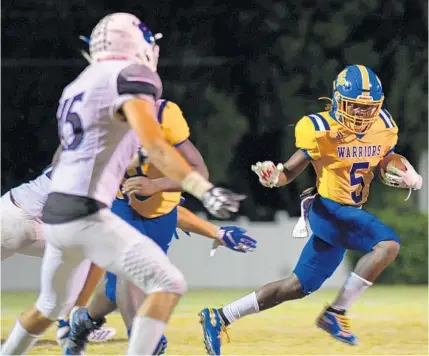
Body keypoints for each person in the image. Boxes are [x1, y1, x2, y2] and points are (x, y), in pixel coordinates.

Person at [1, 12, 244, 355]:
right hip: (85, 214)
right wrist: (203, 189)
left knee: (50, 307)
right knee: (168, 282)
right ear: (138, 45)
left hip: (54, 213)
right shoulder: (133, 76)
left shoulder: (77, 86)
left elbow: (65, 157)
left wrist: (121, 158)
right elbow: (157, 145)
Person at [198, 64, 423, 354]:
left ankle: (221, 316)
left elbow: (385, 159)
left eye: (368, 108)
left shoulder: (383, 126)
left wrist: (405, 172)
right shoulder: (321, 129)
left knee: (296, 287)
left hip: (346, 213)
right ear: (339, 100)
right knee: (388, 245)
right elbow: (289, 171)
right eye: (355, 106)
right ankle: (336, 313)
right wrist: (274, 177)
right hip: (330, 210)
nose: (361, 114)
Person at [65, 98, 257, 354]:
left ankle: (83, 321)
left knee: (115, 291)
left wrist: (157, 185)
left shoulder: (165, 113)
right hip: (122, 203)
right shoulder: (103, 120)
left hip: (163, 209)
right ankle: (142, 340)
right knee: (128, 270)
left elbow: (199, 169)